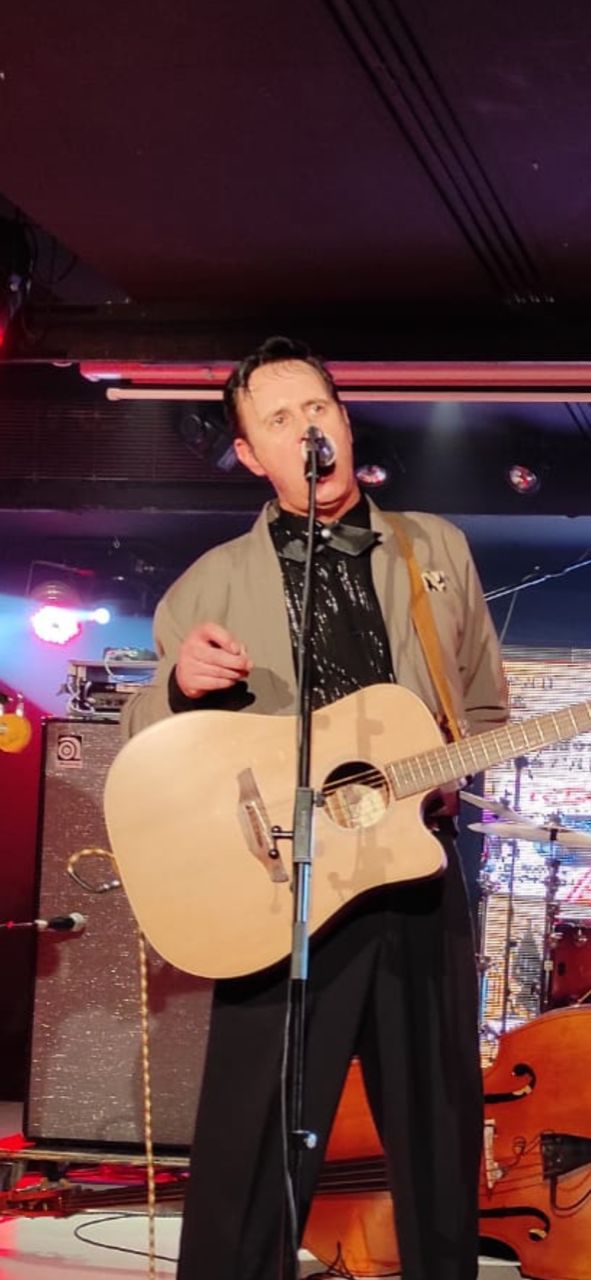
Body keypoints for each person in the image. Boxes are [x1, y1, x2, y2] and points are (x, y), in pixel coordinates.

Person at [122, 336, 508, 1280]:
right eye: (280, 419)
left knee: (437, 1124)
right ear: (250, 452)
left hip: (414, 873)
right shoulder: (211, 582)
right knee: (251, 1136)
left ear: (344, 419)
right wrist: (177, 685)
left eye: (318, 408)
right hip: (277, 888)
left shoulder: (433, 550)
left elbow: (485, 709)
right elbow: (144, 746)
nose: (307, 430)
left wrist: (453, 769)